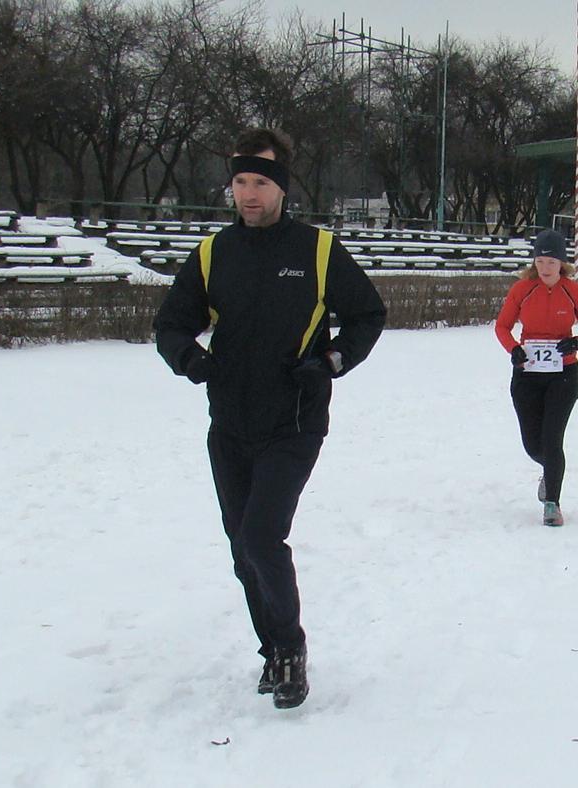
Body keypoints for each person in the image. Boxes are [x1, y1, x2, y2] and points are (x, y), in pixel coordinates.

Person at [153, 128, 387, 710]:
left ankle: (289, 649)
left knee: (262, 536)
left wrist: (332, 360)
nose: (249, 193)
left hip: (295, 421)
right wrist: (191, 359)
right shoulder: (213, 253)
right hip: (230, 423)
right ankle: (273, 648)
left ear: (282, 186)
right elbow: (171, 324)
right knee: (242, 547)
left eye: (260, 181)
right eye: (240, 181)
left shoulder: (318, 250)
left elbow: (367, 314)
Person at [495, 229, 578, 527]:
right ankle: (550, 470)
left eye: (551, 262)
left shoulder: (573, 291)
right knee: (533, 445)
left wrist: (577, 343)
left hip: (563, 376)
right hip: (527, 375)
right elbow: (502, 327)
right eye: (540, 261)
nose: (545, 268)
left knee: (552, 439)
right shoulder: (522, 289)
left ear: (562, 264)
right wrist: (514, 349)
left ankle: (552, 504)